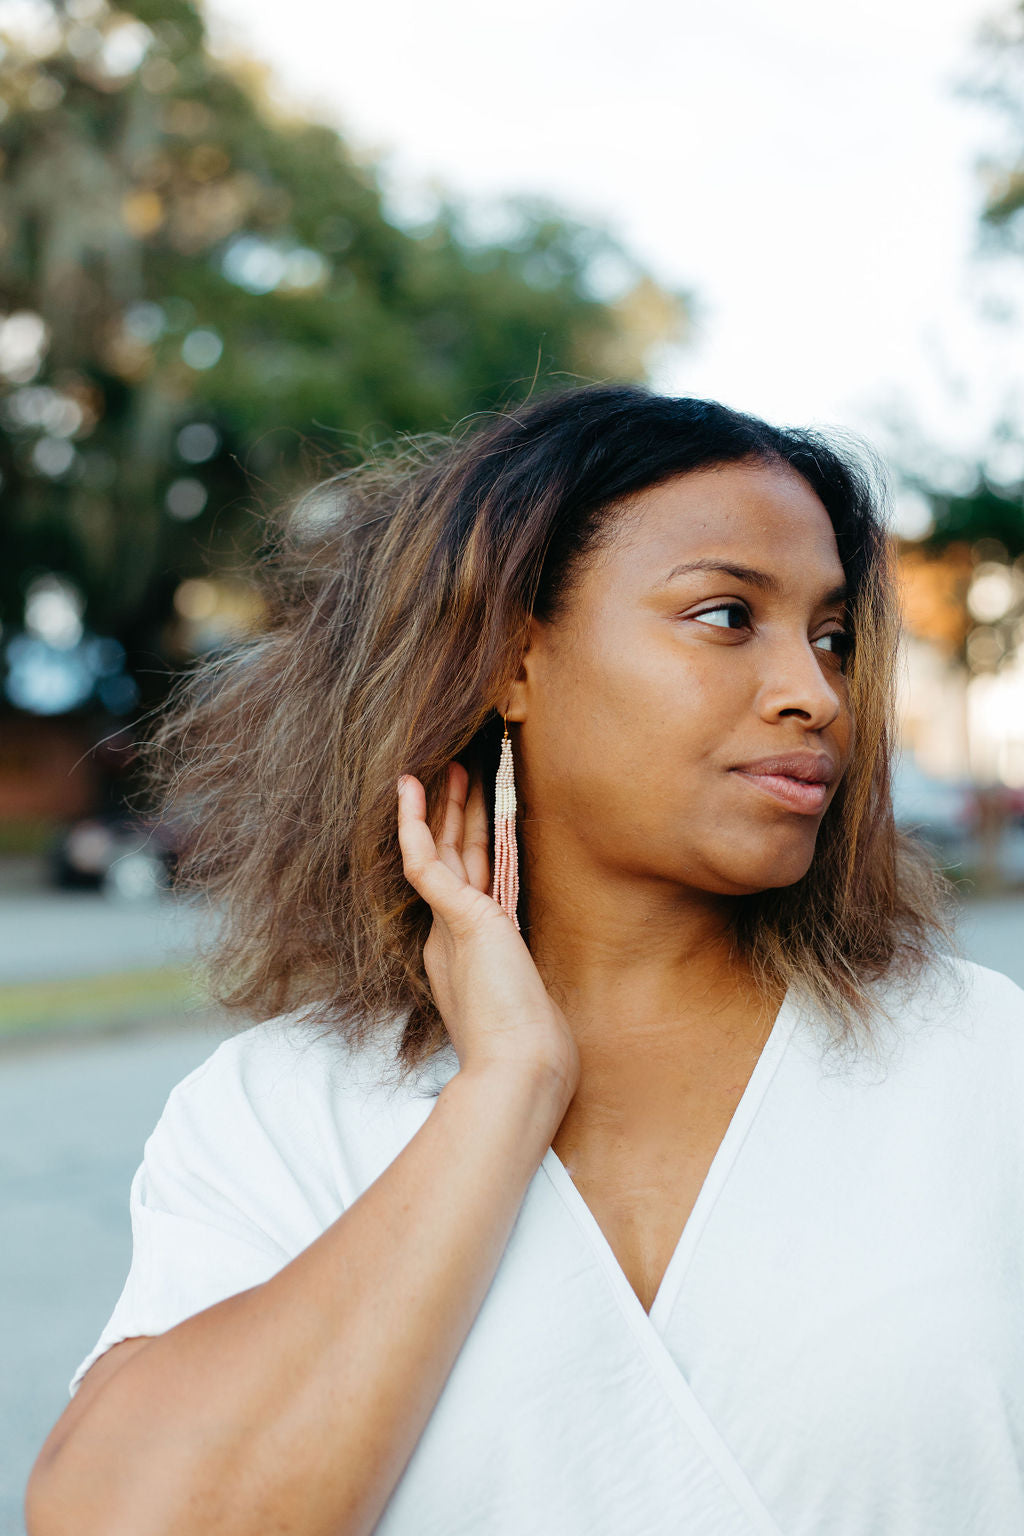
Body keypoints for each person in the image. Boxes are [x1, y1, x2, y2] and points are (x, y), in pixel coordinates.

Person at [25, 383, 1024, 1536]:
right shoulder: (284, 1110)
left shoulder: (983, 1064)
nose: (816, 695)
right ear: (509, 657)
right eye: (723, 617)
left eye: (832, 637)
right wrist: (503, 1092)